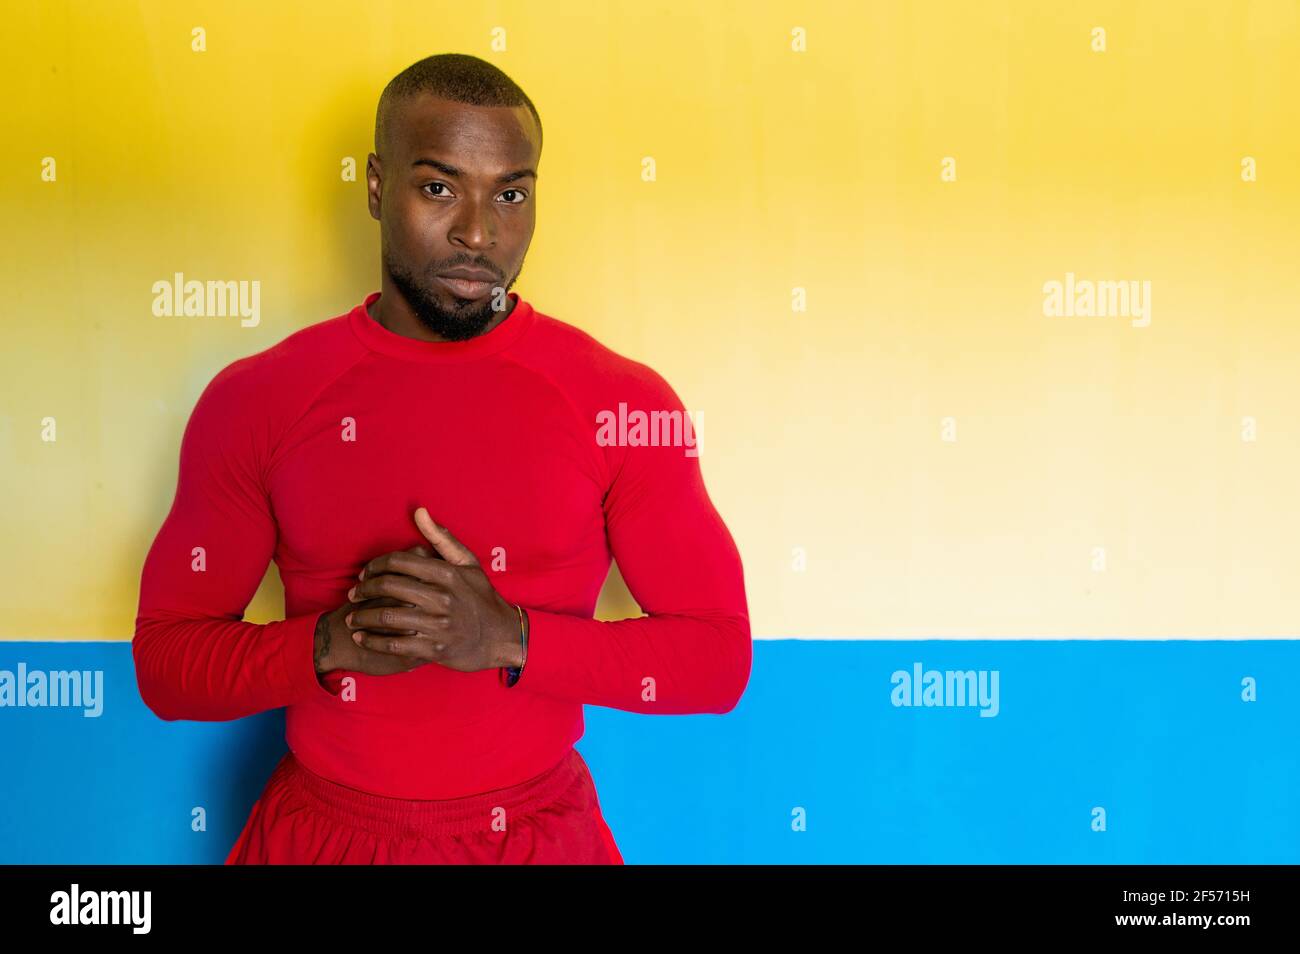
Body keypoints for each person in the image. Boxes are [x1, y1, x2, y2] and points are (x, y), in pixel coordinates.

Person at [132, 52, 752, 864]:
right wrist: (330, 644)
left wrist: (509, 638)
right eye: (438, 187)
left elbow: (716, 660)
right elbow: (167, 665)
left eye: (511, 194)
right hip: (321, 836)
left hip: (534, 839)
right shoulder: (259, 399)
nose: (477, 231)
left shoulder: (621, 404)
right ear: (377, 185)